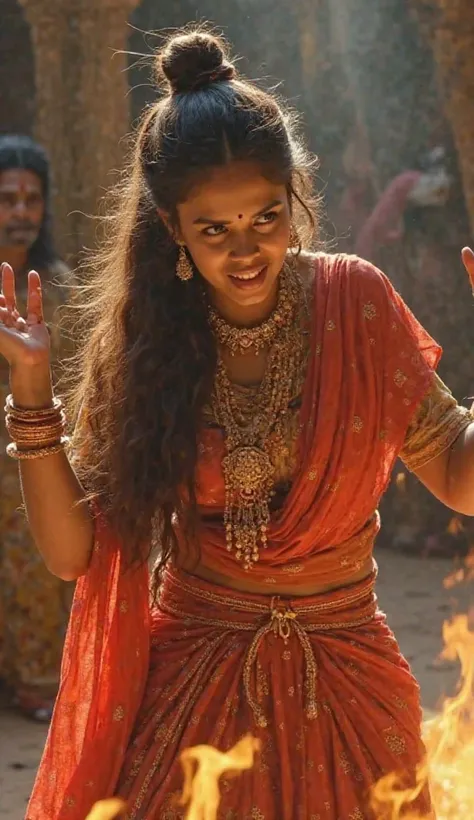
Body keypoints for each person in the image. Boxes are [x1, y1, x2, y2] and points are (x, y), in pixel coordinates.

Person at [2, 30, 474, 819]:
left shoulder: (356, 304)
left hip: (350, 689)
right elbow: (72, 552)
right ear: (173, 226)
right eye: (214, 230)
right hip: (193, 695)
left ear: (293, 196)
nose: (247, 250)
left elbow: (461, 476)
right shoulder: (150, 339)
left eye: (266, 217)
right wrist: (30, 392)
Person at [0, 134, 73, 722]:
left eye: (32, 199)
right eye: (7, 199)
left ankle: (35, 681)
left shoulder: (59, 286)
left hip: (33, 456)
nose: (21, 212)